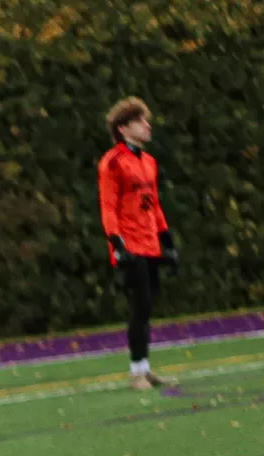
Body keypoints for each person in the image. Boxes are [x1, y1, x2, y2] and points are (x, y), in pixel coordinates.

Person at [99, 97, 180, 391]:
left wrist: (166, 240)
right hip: (130, 245)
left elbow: (154, 205)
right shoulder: (113, 162)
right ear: (123, 128)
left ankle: (145, 368)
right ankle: (136, 373)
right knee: (140, 305)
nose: (147, 126)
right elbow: (108, 207)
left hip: (149, 243)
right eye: (140, 121)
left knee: (147, 307)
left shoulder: (149, 162)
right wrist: (117, 245)